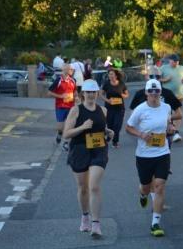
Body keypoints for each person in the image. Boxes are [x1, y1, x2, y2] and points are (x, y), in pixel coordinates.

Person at [125, 79, 182, 237]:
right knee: (146, 186)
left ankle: (155, 223)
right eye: (151, 91)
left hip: (162, 153)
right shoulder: (140, 109)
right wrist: (141, 134)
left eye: (157, 91)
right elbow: (128, 127)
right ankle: (143, 194)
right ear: (146, 92)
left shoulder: (166, 107)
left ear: (160, 92)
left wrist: (170, 128)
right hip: (144, 155)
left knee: (159, 186)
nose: (154, 94)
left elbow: (168, 124)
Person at [62, 80, 113, 238]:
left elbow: (101, 128)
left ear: (97, 93)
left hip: (98, 150)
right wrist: (82, 127)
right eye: (88, 92)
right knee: (83, 188)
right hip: (79, 150)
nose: (91, 95)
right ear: (83, 93)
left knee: (94, 186)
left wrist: (108, 132)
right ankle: (85, 216)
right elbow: (66, 134)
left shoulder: (103, 110)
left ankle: (96, 224)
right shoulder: (76, 110)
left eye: (93, 92)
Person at [161, 53, 183, 142]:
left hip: (179, 95)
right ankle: (166, 130)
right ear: (170, 61)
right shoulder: (163, 68)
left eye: (177, 61)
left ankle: (176, 132)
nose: (176, 63)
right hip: (167, 95)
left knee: (179, 114)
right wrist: (165, 80)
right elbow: (156, 79)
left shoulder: (181, 68)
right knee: (167, 113)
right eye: (174, 61)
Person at [48, 64, 77, 149]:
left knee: (69, 125)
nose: (72, 71)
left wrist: (77, 97)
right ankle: (60, 133)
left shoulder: (73, 80)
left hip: (71, 106)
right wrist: (61, 96)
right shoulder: (58, 80)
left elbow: (75, 92)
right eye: (71, 69)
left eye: (72, 69)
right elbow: (49, 93)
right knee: (60, 127)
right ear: (65, 70)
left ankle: (66, 143)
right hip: (60, 107)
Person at [101, 68, 129, 148]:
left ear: (116, 76)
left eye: (112, 74)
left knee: (117, 125)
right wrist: (107, 100)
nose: (110, 76)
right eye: (109, 74)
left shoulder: (121, 84)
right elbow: (101, 94)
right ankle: (109, 136)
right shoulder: (106, 84)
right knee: (110, 125)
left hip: (119, 108)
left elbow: (127, 95)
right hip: (109, 108)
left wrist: (122, 95)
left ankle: (115, 141)